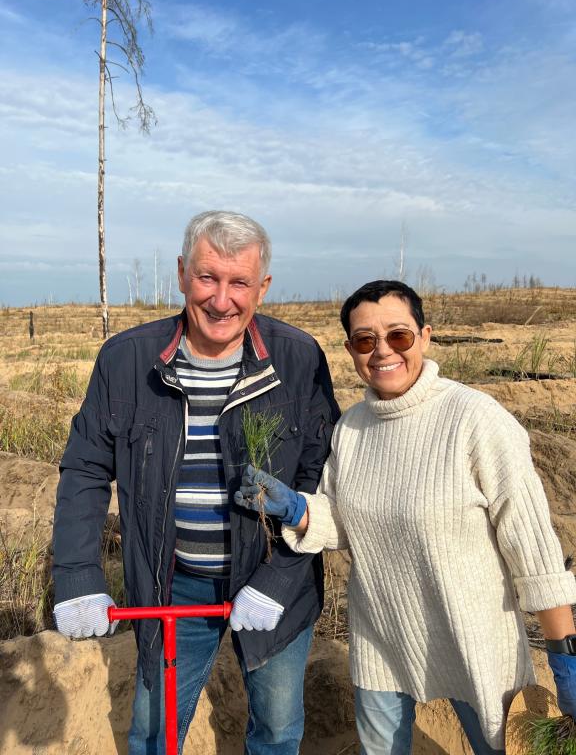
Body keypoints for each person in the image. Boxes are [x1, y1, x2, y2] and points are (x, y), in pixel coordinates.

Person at [236, 279, 576, 755]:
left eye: (398, 335)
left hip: (474, 642)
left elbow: (534, 551)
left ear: (425, 336)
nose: (382, 351)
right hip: (381, 639)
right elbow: (342, 521)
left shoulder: (476, 419)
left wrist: (565, 657)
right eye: (365, 340)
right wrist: (298, 508)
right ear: (351, 350)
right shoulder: (352, 428)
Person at [51, 210, 340, 755]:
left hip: (275, 581)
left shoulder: (298, 359)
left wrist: (278, 581)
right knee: (154, 731)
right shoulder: (128, 360)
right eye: (208, 277)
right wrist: (77, 575)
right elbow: (86, 468)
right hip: (173, 583)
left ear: (263, 287)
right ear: (183, 273)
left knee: (277, 729)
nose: (222, 300)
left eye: (240, 283)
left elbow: (321, 481)